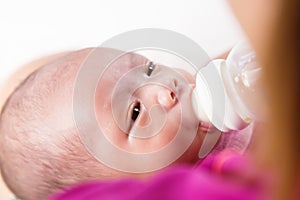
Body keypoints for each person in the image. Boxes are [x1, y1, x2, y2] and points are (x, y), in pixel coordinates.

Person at [1, 47, 249, 200]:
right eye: (136, 112)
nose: (167, 89)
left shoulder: (218, 86)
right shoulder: (203, 187)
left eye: (150, 69)